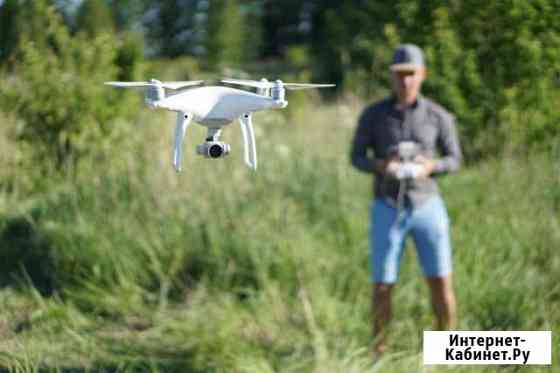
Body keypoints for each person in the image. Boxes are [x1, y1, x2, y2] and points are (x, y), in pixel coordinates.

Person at [350, 44, 462, 355]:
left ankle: (447, 353)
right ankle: (379, 352)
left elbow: (455, 158)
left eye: (411, 74)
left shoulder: (438, 116)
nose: (405, 81)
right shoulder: (373, 115)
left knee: (440, 280)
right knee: (383, 285)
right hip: (387, 206)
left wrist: (432, 167)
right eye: (399, 75)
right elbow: (356, 157)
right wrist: (381, 166)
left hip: (427, 206)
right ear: (391, 76)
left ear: (422, 75)